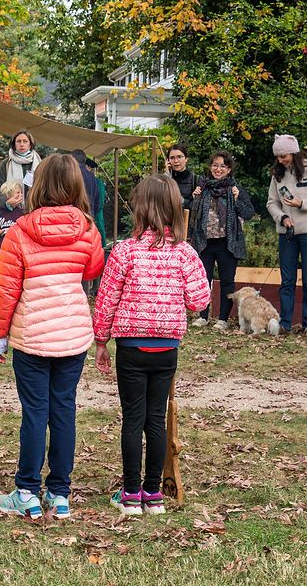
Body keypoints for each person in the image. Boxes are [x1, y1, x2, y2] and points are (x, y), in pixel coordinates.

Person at [0, 153, 104, 521]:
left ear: (36, 184)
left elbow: (6, 290)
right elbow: (93, 268)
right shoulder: (87, 229)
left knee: (35, 413)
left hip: (32, 335)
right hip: (71, 334)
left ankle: (26, 490)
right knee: (64, 410)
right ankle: (60, 493)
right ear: (76, 185)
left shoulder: (20, 230)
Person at [92, 175, 210, 515]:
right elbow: (199, 299)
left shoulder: (124, 251)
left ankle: (130, 495)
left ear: (140, 209)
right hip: (166, 346)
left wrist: (102, 341)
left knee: (133, 419)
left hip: (131, 345)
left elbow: (106, 299)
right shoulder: (184, 252)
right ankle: (153, 495)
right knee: (155, 420)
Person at [189, 150, 255, 330]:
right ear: (210, 167)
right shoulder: (203, 188)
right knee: (204, 280)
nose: (218, 169)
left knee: (227, 281)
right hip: (205, 242)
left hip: (227, 243)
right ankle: (203, 316)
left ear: (229, 169)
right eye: (215, 165)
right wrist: (194, 198)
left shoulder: (235, 188)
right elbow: (192, 213)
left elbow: (248, 213)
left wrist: (235, 199)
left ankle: (223, 319)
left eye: (223, 166)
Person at [266, 135, 306, 334]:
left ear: (294, 152)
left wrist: (301, 204)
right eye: (278, 157)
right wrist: (282, 217)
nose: (281, 160)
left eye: (284, 156)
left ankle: (306, 325)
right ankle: (285, 324)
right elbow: (271, 203)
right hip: (287, 234)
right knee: (287, 281)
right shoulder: (277, 175)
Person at [0, 180, 24, 297]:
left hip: (15, 250)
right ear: (8, 195)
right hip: (0, 249)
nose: (20, 195)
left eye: (21, 192)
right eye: (17, 193)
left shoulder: (21, 213)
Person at [0, 130, 41, 209]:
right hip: (12, 212)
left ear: (30, 144)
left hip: (36, 210)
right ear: (14, 144)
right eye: (18, 141)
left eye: (25, 141)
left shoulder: (40, 164)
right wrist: (6, 202)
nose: (22, 144)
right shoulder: (6, 164)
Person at [166, 143, 198, 212]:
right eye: (172, 158)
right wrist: (167, 175)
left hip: (188, 221)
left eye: (179, 157)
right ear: (168, 161)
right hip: (169, 221)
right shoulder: (164, 180)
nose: (176, 161)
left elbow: (198, 207)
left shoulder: (196, 180)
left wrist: (181, 202)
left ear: (186, 159)